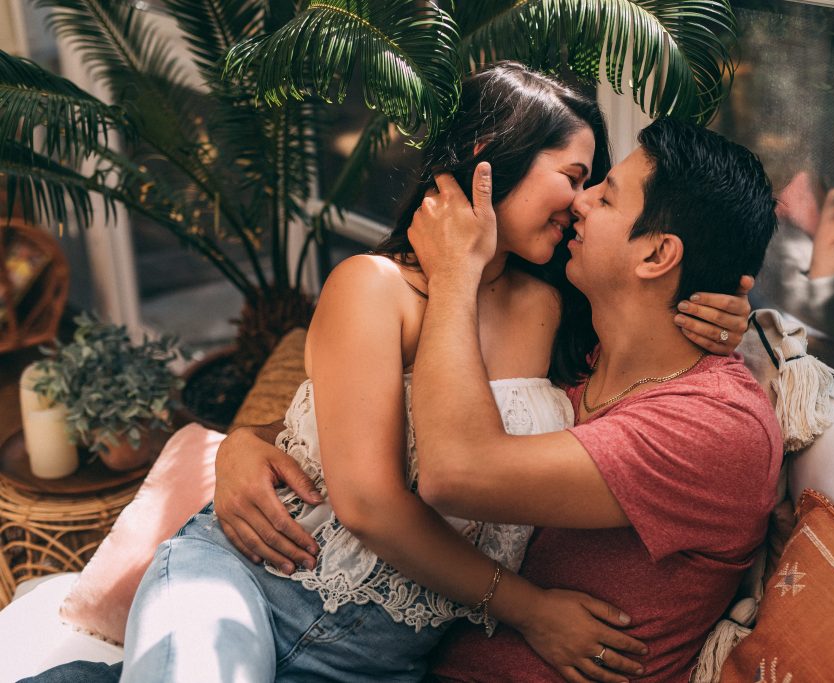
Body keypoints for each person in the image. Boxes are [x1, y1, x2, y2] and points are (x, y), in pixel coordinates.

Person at [22, 64, 751, 683]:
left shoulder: (558, 310)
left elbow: (651, 309)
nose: (581, 202)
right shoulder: (373, 286)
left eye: (598, 187)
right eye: (573, 176)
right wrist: (528, 606)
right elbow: (368, 501)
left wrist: (727, 312)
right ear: (490, 154)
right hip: (251, 584)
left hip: (384, 661)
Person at [215, 119, 781, 681]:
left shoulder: (713, 426)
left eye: (604, 196)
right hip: (358, 641)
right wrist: (246, 441)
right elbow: (386, 424)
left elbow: (454, 471)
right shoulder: (575, 359)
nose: (579, 204)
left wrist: (456, 271)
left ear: (657, 256)